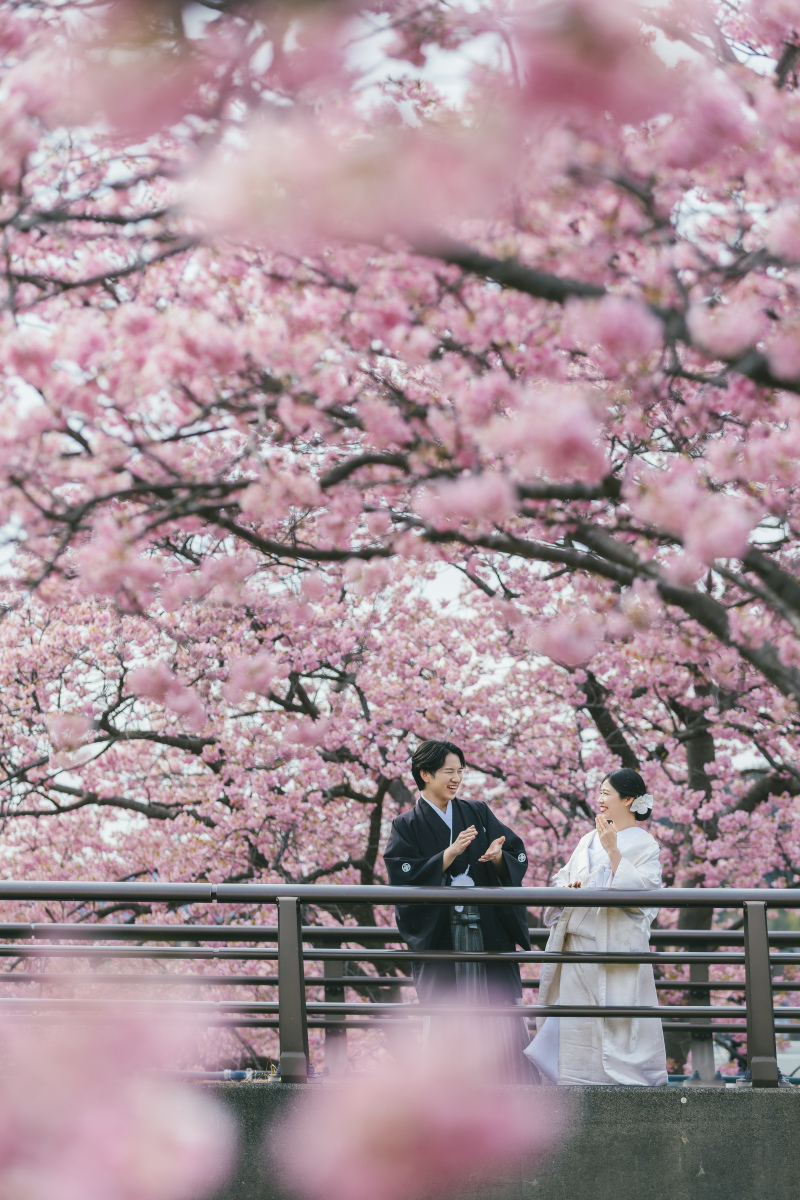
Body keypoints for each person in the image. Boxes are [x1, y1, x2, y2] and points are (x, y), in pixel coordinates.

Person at [383, 738, 534, 1081]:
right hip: (442, 930)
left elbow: (514, 852)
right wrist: (447, 856)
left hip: (487, 925)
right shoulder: (405, 825)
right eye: (448, 771)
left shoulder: (476, 811)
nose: (456, 778)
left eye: (459, 771)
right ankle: (448, 1084)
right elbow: (401, 875)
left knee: (496, 1007)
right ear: (425, 774)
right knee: (448, 1009)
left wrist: (497, 857)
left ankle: (508, 1079)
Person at [525, 768, 668, 1086]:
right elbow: (561, 878)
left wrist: (614, 851)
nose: (600, 799)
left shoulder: (645, 844)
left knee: (615, 1019)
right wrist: (569, 888)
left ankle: (617, 1083)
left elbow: (644, 896)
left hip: (614, 946)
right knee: (578, 1022)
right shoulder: (587, 839)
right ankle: (575, 1080)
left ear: (628, 800)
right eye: (600, 792)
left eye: (607, 793)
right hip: (578, 944)